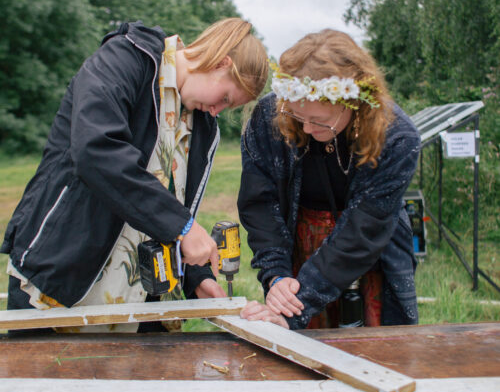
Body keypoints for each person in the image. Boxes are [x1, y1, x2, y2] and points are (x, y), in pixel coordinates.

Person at [2, 18, 268, 333]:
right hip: (62, 281)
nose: (216, 111)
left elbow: (169, 204)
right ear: (220, 63)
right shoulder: (127, 59)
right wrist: (182, 227)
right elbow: (96, 151)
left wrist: (195, 277)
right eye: (225, 98)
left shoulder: (204, 128)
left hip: (144, 307)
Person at [238, 29, 420, 330]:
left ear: (352, 102)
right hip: (298, 244)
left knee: (379, 353)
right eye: (298, 117)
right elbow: (260, 203)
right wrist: (278, 276)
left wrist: (307, 295)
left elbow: (364, 229)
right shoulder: (272, 115)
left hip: (368, 250)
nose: (307, 129)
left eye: (320, 121)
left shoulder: (397, 138)